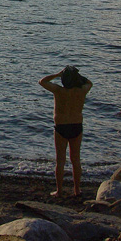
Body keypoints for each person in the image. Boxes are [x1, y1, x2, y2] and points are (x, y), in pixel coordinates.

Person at [39, 65, 92, 197]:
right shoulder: (82, 91)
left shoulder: (58, 90)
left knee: (60, 160)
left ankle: (59, 190)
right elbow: (90, 82)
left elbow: (42, 81)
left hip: (61, 127)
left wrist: (57, 74)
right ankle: (77, 189)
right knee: (76, 160)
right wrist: (78, 76)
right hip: (76, 126)